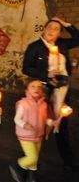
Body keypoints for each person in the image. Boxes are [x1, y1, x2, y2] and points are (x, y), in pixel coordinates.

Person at [22, 17, 79, 171]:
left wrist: (66, 24)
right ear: (44, 29)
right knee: (39, 123)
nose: (52, 30)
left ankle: (69, 159)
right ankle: (31, 158)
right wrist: (45, 74)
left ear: (60, 33)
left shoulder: (62, 44)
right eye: (50, 27)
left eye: (56, 28)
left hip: (62, 89)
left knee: (61, 122)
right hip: (43, 90)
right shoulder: (35, 47)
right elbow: (26, 68)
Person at [9, 79, 54, 182]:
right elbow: (16, 119)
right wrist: (25, 125)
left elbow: (45, 119)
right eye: (33, 86)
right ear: (27, 90)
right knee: (32, 157)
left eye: (39, 87)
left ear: (43, 91)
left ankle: (31, 176)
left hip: (38, 135)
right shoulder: (23, 104)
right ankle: (17, 165)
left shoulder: (44, 105)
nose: (36, 89)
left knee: (35, 157)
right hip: (25, 135)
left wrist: (51, 122)